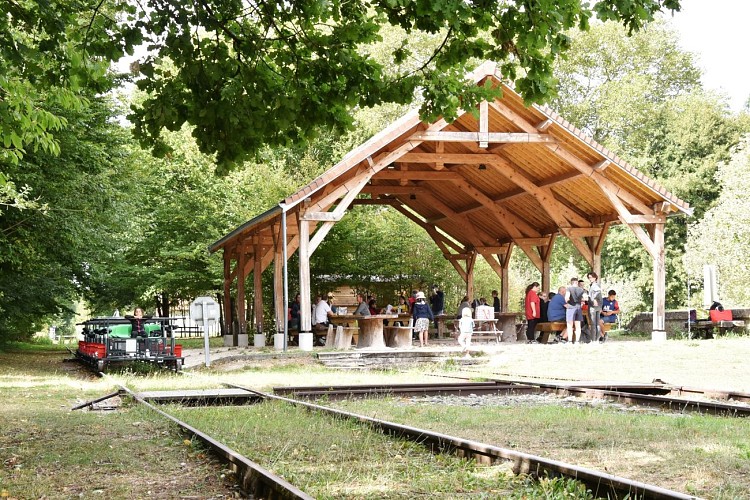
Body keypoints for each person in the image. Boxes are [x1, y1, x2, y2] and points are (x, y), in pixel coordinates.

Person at [564, 278, 585, 343]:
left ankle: (570, 340)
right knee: (578, 325)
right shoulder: (581, 290)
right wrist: (581, 302)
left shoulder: (569, 289)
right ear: (577, 282)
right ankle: (577, 341)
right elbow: (585, 298)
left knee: (570, 325)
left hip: (571, 307)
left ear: (571, 282)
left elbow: (566, 298)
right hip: (578, 307)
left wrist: (567, 301)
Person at [587, 272, 603, 342]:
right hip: (597, 307)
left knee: (594, 324)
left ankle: (594, 340)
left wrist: (594, 300)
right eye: (589, 277)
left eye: (591, 277)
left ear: (595, 277)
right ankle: (596, 339)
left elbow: (597, 295)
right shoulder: (595, 285)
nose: (590, 279)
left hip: (593, 307)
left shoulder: (595, 286)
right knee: (597, 324)